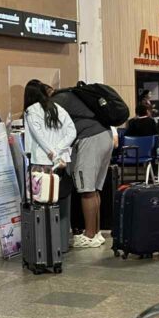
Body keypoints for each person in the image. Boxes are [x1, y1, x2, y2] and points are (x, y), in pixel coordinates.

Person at [53, 85, 115, 248]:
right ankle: (96, 233)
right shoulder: (73, 96)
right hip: (105, 135)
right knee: (94, 190)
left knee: (86, 190)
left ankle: (89, 235)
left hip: (89, 139)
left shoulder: (57, 100)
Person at [23, 80, 76, 252]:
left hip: (41, 163)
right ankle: (60, 246)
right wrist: (59, 151)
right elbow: (72, 132)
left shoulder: (31, 111)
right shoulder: (57, 108)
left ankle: (43, 247)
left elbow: (39, 137)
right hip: (62, 163)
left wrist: (52, 153)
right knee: (60, 204)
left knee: (40, 205)